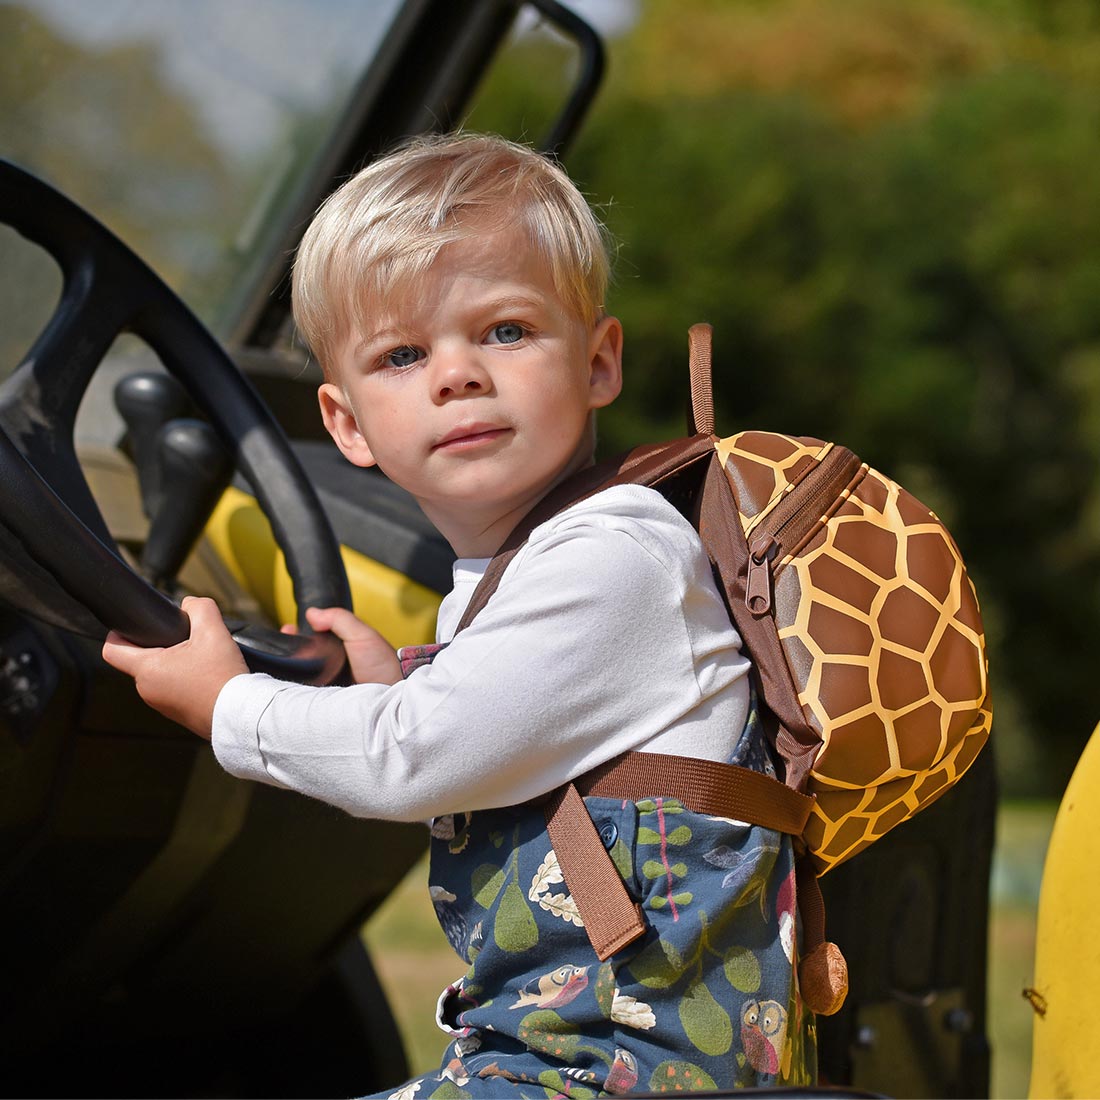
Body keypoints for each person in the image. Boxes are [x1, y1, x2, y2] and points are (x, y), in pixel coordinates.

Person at [102, 133, 816, 1097]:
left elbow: (416, 756)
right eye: (401, 354)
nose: (457, 373)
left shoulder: (615, 555)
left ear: (599, 362)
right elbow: (485, 742)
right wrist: (409, 688)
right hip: (554, 1062)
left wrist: (230, 707)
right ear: (346, 424)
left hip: (624, 1072)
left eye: (507, 332)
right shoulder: (517, 572)